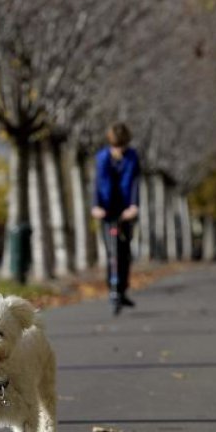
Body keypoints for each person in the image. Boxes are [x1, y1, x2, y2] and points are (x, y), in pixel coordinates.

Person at [91, 122, 141, 315]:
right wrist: (95, 206)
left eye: (122, 146)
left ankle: (122, 289)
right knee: (112, 251)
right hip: (106, 209)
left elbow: (136, 181)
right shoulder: (102, 158)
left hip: (126, 209)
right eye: (115, 146)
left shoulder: (132, 157)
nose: (119, 150)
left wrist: (134, 206)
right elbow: (96, 183)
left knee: (124, 250)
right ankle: (112, 289)